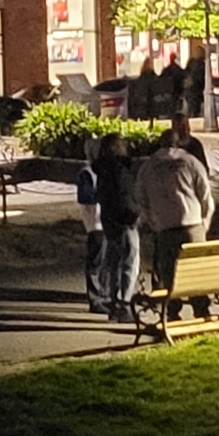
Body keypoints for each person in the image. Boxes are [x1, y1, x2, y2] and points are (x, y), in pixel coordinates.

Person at [136, 121, 212, 322]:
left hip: (165, 227)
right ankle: (201, 310)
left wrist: (153, 221)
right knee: (196, 272)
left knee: (169, 274)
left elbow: (140, 198)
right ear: (178, 143)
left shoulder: (148, 166)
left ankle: (172, 313)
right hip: (192, 225)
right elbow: (205, 195)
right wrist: (204, 221)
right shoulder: (190, 161)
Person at [88, 136, 141, 319]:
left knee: (115, 262)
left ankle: (115, 300)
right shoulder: (119, 169)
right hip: (125, 220)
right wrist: (135, 215)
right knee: (129, 261)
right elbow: (125, 196)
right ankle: (124, 303)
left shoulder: (102, 169)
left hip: (109, 220)